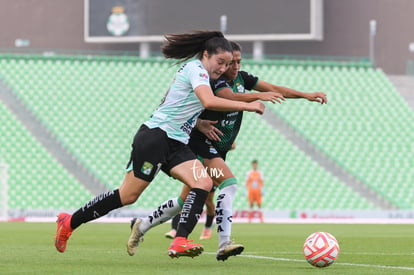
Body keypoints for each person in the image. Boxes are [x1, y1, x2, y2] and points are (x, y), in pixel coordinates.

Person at [54, 31, 265, 259]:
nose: (223, 68)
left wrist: (199, 122)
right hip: (156, 137)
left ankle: (180, 240)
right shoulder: (195, 69)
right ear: (206, 55)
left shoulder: (205, 74)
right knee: (127, 196)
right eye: (220, 62)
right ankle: (70, 221)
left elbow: (184, 105)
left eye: (227, 64)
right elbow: (208, 100)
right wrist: (250, 104)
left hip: (176, 143)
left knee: (203, 182)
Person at [126, 41, 327, 260]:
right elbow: (228, 98)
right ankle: (224, 242)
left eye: (238, 62)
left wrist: (305, 95)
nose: (235, 66)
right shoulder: (216, 81)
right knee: (228, 184)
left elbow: (273, 89)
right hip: (199, 143)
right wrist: (256, 97)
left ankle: (142, 225)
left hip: (216, 149)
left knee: (185, 200)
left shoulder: (243, 79)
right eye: (231, 62)